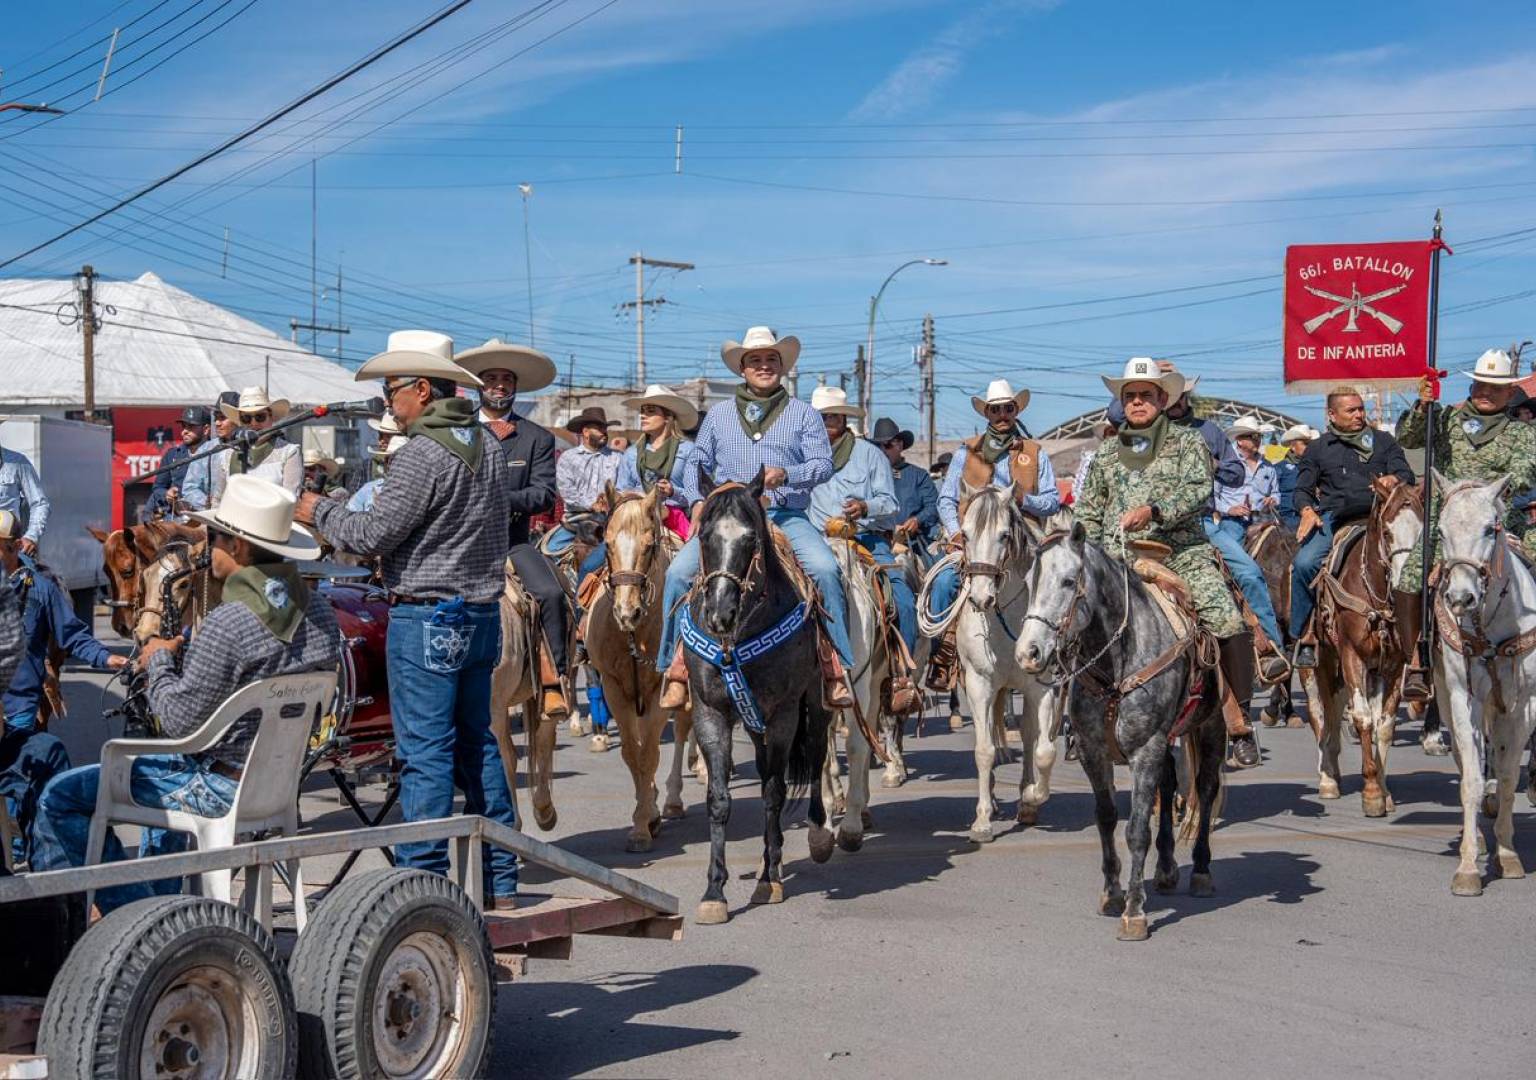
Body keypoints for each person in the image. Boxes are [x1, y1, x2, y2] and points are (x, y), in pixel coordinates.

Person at [32, 477, 337, 909]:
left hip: (216, 784)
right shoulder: (320, 611)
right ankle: (161, 908)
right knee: (159, 779)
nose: (205, 548)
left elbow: (177, 721)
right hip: (278, 784)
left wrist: (159, 658)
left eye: (213, 538)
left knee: (59, 797)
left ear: (241, 548)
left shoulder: (228, 623)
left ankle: (137, 917)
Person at [297, 332, 522, 905]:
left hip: (426, 615)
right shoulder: (488, 445)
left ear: (422, 389)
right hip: (479, 611)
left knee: (424, 751)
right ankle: (501, 877)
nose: (387, 400)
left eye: (392, 389)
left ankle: (423, 882)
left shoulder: (422, 452)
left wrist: (319, 510)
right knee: (479, 745)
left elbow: (372, 534)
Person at [1078, 358, 1263, 768]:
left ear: (1163, 399)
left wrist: (1155, 510)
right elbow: (1088, 512)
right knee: (1069, 618)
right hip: (1117, 558)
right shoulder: (1106, 454)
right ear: (1122, 403)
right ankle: (1079, 719)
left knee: (1228, 620)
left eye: (1146, 395)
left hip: (1179, 552)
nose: (1138, 401)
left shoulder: (1188, 441)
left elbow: (1199, 490)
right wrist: (1083, 553)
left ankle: (1240, 717)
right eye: (1131, 396)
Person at [658, 325, 854, 709]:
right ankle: (674, 666)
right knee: (677, 574)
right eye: (755, 361)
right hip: (729, 516)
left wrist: (788, 473)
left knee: (826, 569)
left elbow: (822, 464)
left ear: (781, 367)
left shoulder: (804, 415)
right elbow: (696, 461)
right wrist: (698, 501)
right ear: (742, 369)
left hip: (784, 514)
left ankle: (835, 666)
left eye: (770, 360)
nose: (763, 366)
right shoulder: (717, 416)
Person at [1395, 348, 1536, 702]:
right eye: (1480, 385)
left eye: (1494, 387)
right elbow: (1407, 438)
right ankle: (1417, 658)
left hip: (1500, 521)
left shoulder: (1521, 433)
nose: (1485, 392)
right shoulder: (1444, 421)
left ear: (1509, 393)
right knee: (1411, 576)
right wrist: (1422, 406)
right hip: (1449, 523)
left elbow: (1524, 470)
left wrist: (1488, 493)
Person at [1, 511, 127, 864]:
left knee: (24, 788)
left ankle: (30, 860)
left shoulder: (40, 590)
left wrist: (106, 659)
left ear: (12, 548)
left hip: (17, 709)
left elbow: (71, 635)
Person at [454, 338, 569, 719]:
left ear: (515, 386)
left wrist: (498, 499)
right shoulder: (459, 431)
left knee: (551, 594)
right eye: (491, 378)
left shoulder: (537, 437)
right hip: (460, 544)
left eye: (506, 379)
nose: (499, 385)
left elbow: (543, 495)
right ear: (478, 385)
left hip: (512, 542)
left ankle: (554, 679)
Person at [926, 379, 1059, 689]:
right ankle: (944, 653)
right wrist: (956, 533)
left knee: (1059, 581)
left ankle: (1061, 648)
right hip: (975, 541)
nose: (1002, 414)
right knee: (945, 582)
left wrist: (1027, 500)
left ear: (1016, 411)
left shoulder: (1034, 452)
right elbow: (946, 499)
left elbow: (1052, 500)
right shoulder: (966, 452)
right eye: (995, 409)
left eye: (1008, 409)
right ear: (986, 413)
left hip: (1024, 539)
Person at [1289, 388, 1415, 669]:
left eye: (1360, 409)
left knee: (1418, 562)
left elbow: (1406, 473)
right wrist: (1307, 510)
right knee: (1304, 563)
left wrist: (1394, 479)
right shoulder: (1318, 448)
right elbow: (1302, 489)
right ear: (1331, 414)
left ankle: (1419, 640)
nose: (1359, 414)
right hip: (1337, 519)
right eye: (1351, 410)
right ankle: (1304, 635)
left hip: (1382, 517)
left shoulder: (1383, 441)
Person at [808, 391, 917, 700]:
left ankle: (900, 672)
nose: (828, 421)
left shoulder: (870, 455)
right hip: (815, 539)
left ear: (844, 419)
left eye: (834, 415)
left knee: (902, 598)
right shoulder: (801, 453)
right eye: (822, 416)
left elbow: (890, 502)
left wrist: (865, 507)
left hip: (864, 539)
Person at [1209, 414, 1287, 660]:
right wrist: (1228, 510)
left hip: (1264, 517)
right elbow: (1214, 494)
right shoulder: (1228, 464)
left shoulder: (1268, 467)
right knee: (1235, 564)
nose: (1257, 440)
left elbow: (1277, 492)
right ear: (1240, 440)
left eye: (1258, 436)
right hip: (1234, 521)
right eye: (1253, 437)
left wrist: (1273, 499)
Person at [615, 384, 700, 541]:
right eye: (642, 411)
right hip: (635, 521)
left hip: (675, 519)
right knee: (594, 563)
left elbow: (699, 493)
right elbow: (621, 489)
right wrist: (625, 495)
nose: (643, 416)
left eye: (651, 411)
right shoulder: (631, 453)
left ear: (668, 417)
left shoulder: (688, 450)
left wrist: (673, 491)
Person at [547, 407, 622, 562]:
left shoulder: (618, 458)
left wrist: (612, 501)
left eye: (605, 428)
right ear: (586, 432)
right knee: (549, 553)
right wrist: (592, 505)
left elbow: (622, 486)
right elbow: (567, 492)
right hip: (576, 520)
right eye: (599, 428)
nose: (604, 432)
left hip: (610, 521)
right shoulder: (568, 458)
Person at [210, 386, 303, 505]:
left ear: (271, 418)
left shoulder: (289, 452)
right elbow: (218, 500)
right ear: (240, 422)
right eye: (246, 418)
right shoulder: (228, 455)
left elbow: (290, 501)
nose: (253, 423)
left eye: (260, 417)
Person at [872, 417, 940, 554]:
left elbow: (933, 506)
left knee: (944, 573)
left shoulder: (919, 476)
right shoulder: (867, 476)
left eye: (888, 445)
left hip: (913, 544)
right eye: (877, 446)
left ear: (900, 445)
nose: (882, 451)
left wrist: (917, 520)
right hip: (875, 543)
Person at [143, 406, 210, 520]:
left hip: (207, 518)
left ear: (206, 429)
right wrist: (167, 494)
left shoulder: (217, 454)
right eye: (183, 426)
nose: (185, 431)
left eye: (191, 427)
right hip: (176, 518)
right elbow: (158, 488)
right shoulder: (172, 455)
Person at [180, 390, 240, 512]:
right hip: (214, 517)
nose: (217, 423)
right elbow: (189, 488)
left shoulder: (251, 447)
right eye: (216, 418)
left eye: (223, 418)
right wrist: (208, 503)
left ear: (238, 419)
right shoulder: (206, 450)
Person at [0, 421, 49, 562]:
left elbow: (40, 503)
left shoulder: (18, 462)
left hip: (8, 546)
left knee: (39, 582)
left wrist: (31, 536)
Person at [348, 413, 405, 512]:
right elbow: (354, 497)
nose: (381, 441)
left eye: (387, 436)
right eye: (380, 435)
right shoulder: (368, 466)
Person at [1273, 423, 1317, 531]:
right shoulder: (1278, 468)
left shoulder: (1317, 466)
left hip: (1314, 516)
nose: (1309, 447)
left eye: (1310, 443)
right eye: (1305, 443)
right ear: (1292, 446)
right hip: (1289, 519)